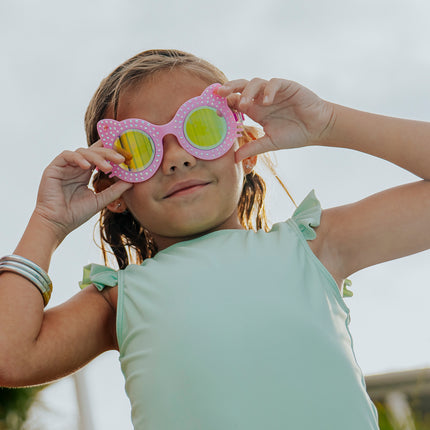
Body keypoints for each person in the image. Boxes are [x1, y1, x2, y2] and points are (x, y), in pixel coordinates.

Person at [0, 49, 429, 430]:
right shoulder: (119, 300)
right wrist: (47, 222)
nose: (177, 157)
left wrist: (330, 122)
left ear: (245, 144)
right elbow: (11, 355)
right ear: (112, 187)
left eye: (200, 127)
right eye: (140, 147)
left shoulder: (315, 247)